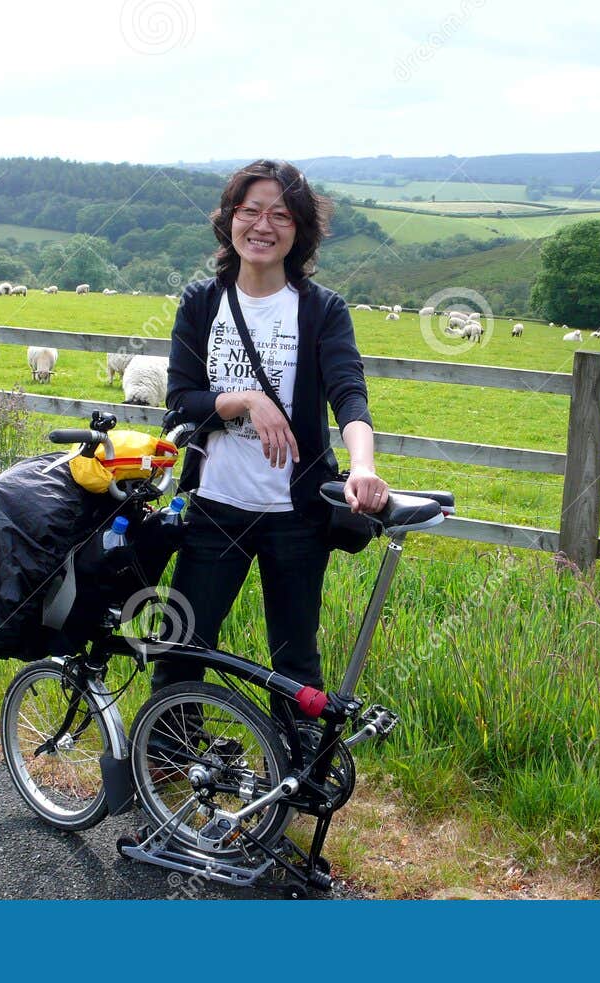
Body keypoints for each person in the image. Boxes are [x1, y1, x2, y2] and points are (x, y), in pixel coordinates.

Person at [158, 159, 389, 699]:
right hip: (215, 508)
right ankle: (163, 764)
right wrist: (245, 401)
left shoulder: (321, 310)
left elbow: (349, 397)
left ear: (299, 230)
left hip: (297, 517)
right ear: (230, 220)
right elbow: (181, 403)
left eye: (280, 215)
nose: (263, 225)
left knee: (295, 665)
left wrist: (363, 466)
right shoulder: (201, 302)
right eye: (251, 211)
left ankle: (300, 781)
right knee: (180, 651)